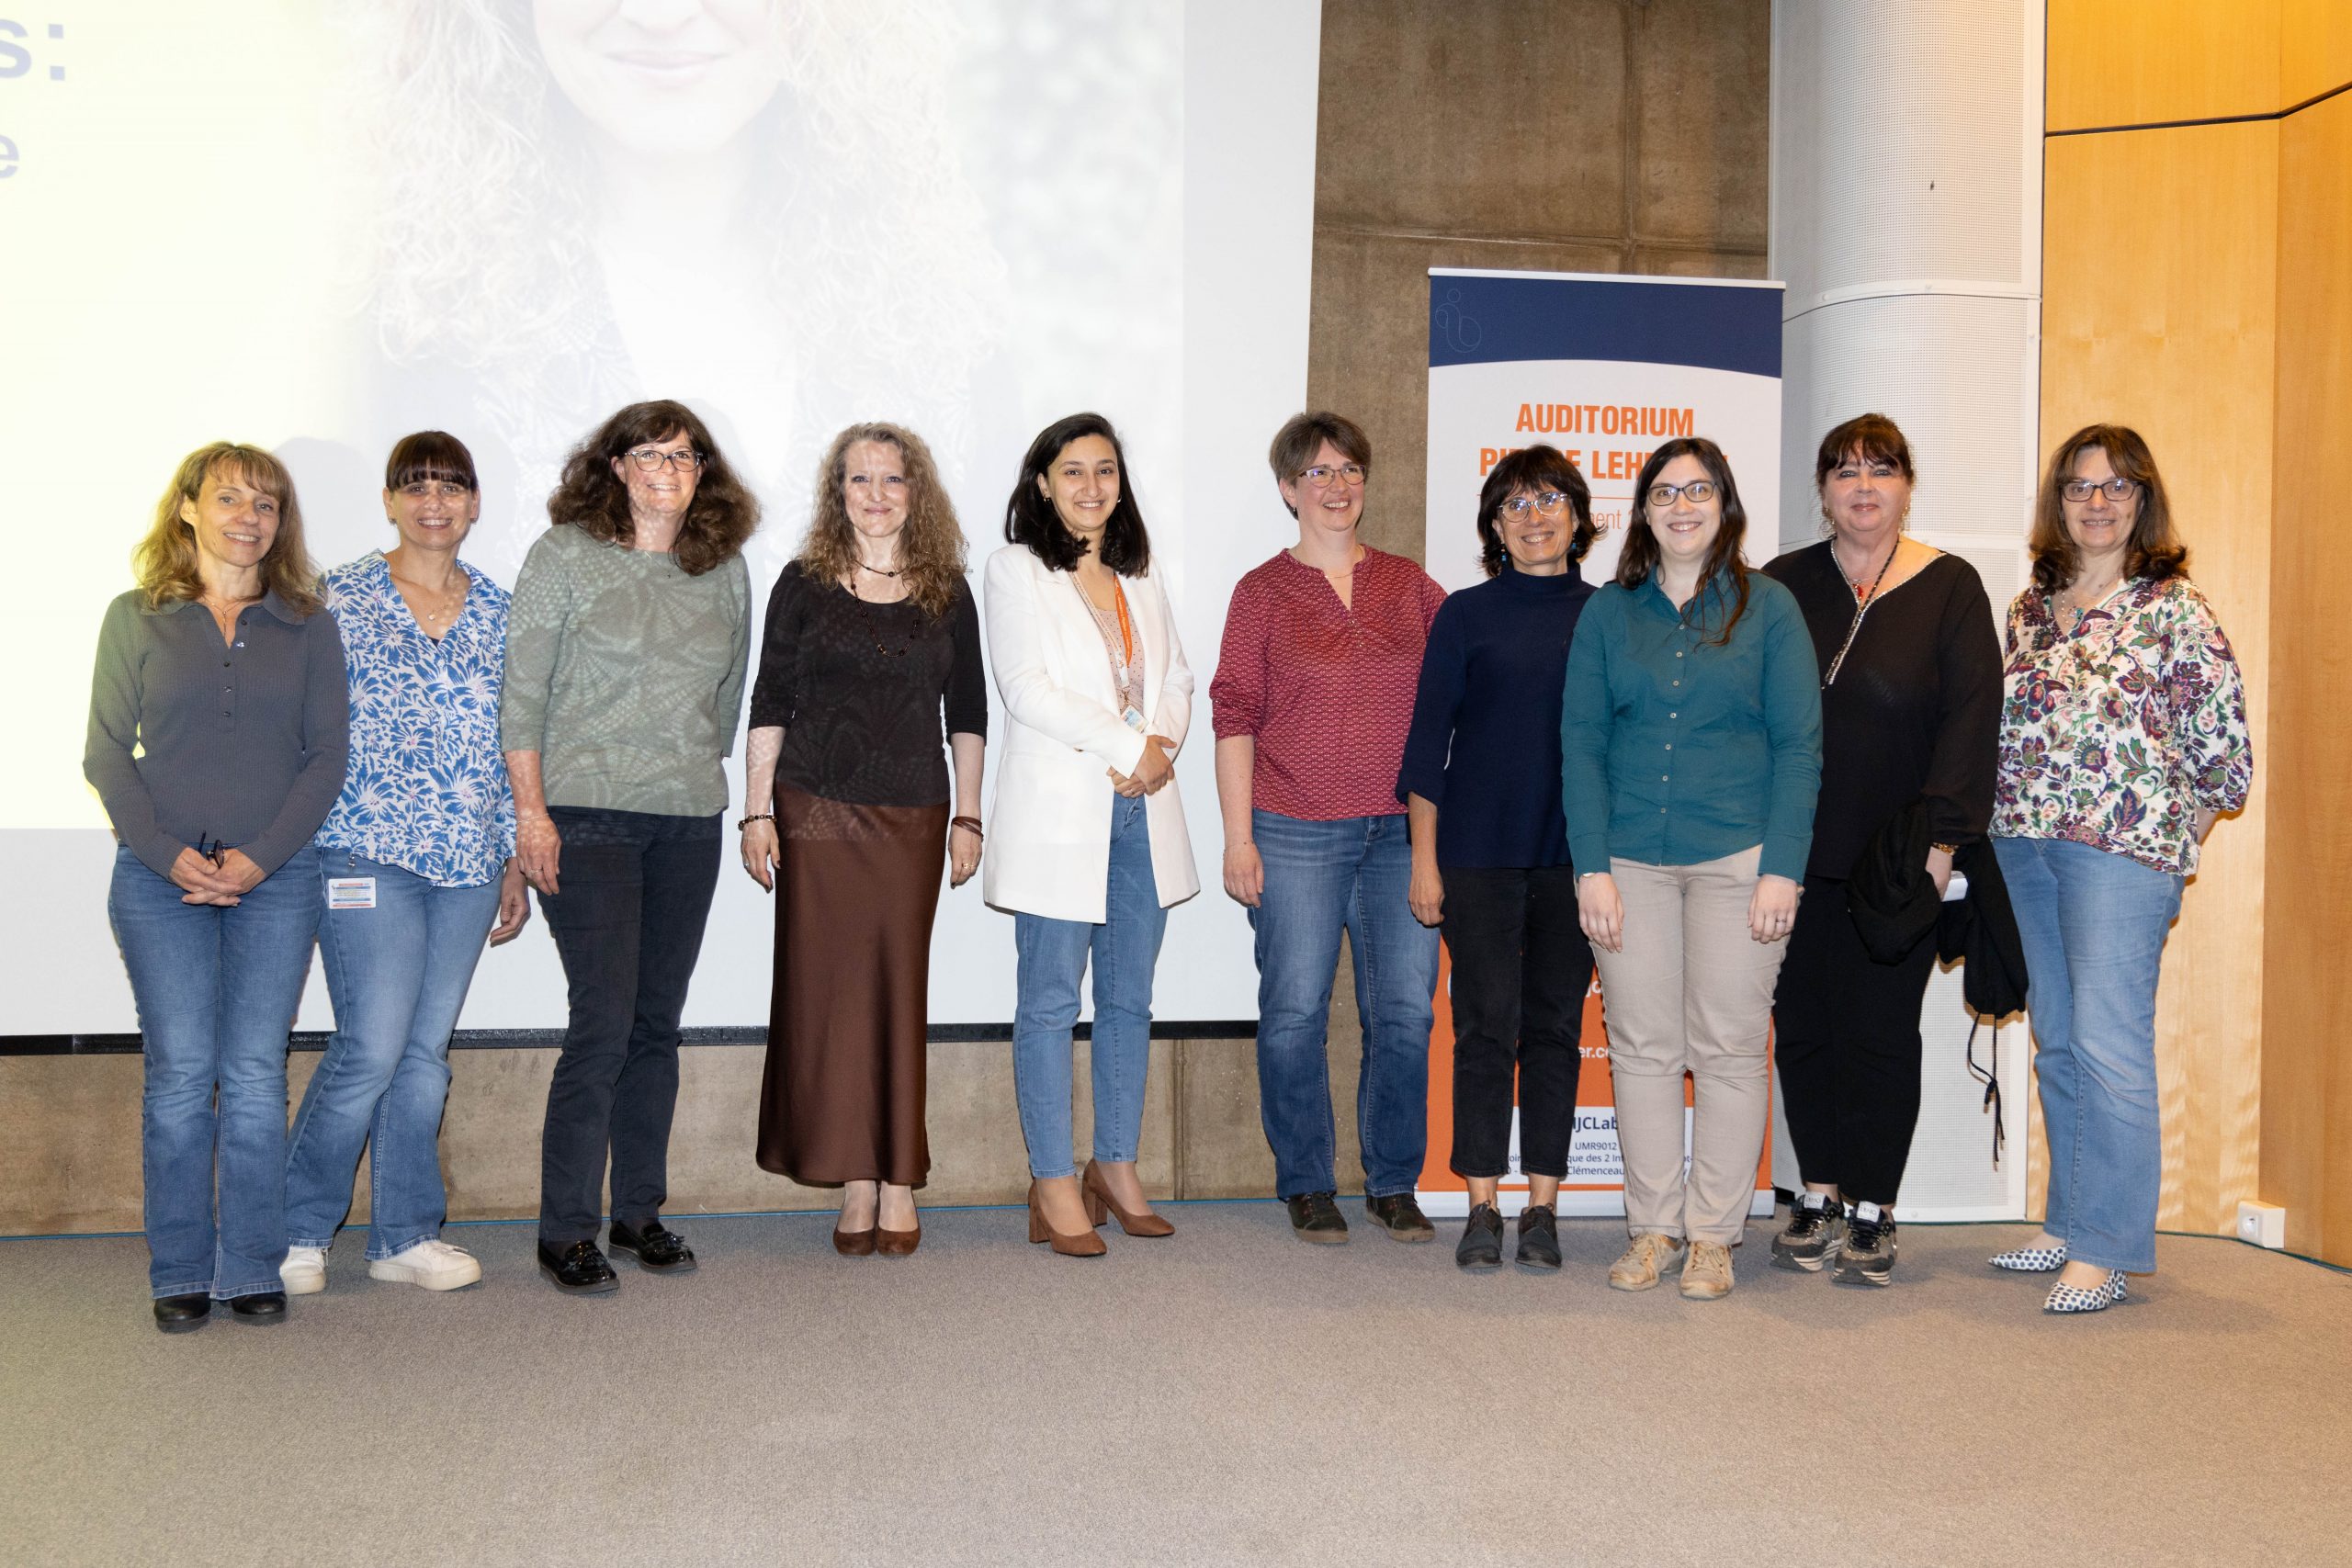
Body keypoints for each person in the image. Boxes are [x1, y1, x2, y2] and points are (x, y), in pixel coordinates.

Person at [85, 444, 349, 1331]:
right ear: (188, 509)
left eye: (267, 503)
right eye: (230, 497)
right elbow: (103, 754)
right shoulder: (135, 616)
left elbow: (328, 758)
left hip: (276, 880)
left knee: (250, 1075)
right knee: (180, 1077)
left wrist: (260, 858)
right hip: (159, 884)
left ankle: (250, 1266)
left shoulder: (310, 623)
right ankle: (180, 1269)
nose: (250, 516)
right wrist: (168, 856)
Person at [1988, 424, 2250, 1314]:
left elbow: (2224, 762)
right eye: (2078, 487)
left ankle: (2107, 1248)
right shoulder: (2030, 605)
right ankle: (2070, 1221)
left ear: (2142, 502)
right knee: (2058, 1039)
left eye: (2115, 487)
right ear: (2056, 503)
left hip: (2119, 858)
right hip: (2025, 844)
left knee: (2108, 1045)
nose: (2095, 503)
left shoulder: (2175, 610)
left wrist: (2167, 845)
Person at [503, 400, 756, 1294]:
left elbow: (725, 702)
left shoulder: (721, 568)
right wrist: (530, 816)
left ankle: (637, 1212)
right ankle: (564, 1227)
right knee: (603, 1021)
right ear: (613, 466)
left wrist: (689, 771)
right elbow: (521, 699)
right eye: (648, 453)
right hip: (587, 816)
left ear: (703, 473)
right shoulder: (562, 557)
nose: (666, 468)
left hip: (686, 817)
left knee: (656, 1024)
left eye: (684, 456)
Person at [1561, 436, 1821, 1302]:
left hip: (1739, 858)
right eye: (1665, 491)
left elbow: (1800, 746)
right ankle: (1654, 1229)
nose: (1682, 505)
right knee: (1641, 1048)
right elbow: (1582, 744)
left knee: (1732, 1048)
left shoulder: (1771, 608)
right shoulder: (1609, 612)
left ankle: (1713, 1236)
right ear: (1643, 509)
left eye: (1699, 489)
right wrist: (1590, 868)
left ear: (1725, 504)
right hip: (1629, 858)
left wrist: (1783, 867)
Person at [279, 433, 530, 1299]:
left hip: (465, 859)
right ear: (389, 500)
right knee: (372, 1047)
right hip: (363, 850)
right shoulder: (333, 597)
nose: (434, 501)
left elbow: (510, 742)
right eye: (415, 486)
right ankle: (299, 1228)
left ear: (473, 503)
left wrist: (509, 857)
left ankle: (404, 1235)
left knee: (424, 1054)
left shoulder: (500, 609)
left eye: (452, 486)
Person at [1760, 414, 2002, 1287]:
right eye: (1845, 471)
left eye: (1882, 469)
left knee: (1881, 1033)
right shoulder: (1780, 584)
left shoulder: (1950, 587)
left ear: (1907, 485)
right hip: (1790, 853)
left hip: (1900, 860)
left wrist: (1942, 849)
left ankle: (1873, 1206)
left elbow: (1972, 725)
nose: (1864, 486)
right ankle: (1816, 1192)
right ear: (1822, 492)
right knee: (1803, 1031)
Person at [741, 423, 987, 1258]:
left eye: (892, 479)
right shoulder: (802, 584)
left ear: (916, 492)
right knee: (829, 998)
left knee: (896, 990)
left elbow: (971, 714)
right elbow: (769, 699)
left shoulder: (947, 588)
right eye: (858, 480)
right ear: (835, 492)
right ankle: (853, 1178)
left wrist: (970, 814)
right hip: (816, 808)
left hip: (913, 813)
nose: (875, 494)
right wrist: (756, 811)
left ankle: (899, 1177)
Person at [1209, 412, 1448, 1247]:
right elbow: (1232, 712)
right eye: (1318, 473)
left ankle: (1392, 1181)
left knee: (1405, 1015)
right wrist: (1239, 837)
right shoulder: (1261, 593)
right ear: (1288, 489)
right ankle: (1307, 1181)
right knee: (1294, 1012)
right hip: (1292, 828)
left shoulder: (1412, 586)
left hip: (1400, 835)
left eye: (1350, 470)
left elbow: (1459, 693)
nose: (1337, 486)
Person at [981, 413, 1200, 1257]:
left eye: (1105, 470)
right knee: (1047, 1003)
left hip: (1143, 811)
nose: (1090, 487)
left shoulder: (1140, 577)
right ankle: (1051, 1179)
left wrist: (1158, 750)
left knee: (1129, 1002)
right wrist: (1125, 747)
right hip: (1061, 819)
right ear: (1043, 483)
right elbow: (1025, 687)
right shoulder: (1014, 571)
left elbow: (1177, 677)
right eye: (1072, 472)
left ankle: (1115, 1163)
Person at [1397, 444, 1599, 1272]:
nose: (1535, 515)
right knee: (1483, 1029)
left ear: (1580, 517)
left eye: (1551, 498)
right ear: (1493, 525)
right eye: (1515, 504)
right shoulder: (1464, 615)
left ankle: (1542, 1209)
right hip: (1475, 858)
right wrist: (1424, 859)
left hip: (1574, 860)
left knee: (1554, 1028)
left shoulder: (1611, 613)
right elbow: (1424, 747)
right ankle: (1481, 1204)